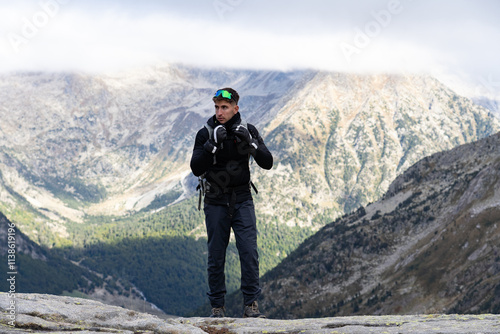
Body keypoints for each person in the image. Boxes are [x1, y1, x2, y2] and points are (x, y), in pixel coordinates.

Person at [190, 87, 273, 318]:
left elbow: (267, 162)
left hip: (242, 199)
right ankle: (217, 308)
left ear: (235, 108)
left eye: (224, 107)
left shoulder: (247, 130)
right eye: (216, 107)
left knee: (249, 252)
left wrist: (252, 144)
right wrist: (211, 146)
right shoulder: (205, 133)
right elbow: (196, 167)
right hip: (215, 200)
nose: (219, 112)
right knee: (216, 255)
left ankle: (251, 306)